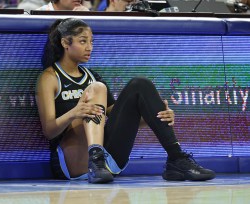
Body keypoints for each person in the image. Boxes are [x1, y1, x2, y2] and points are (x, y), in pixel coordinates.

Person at [36, 18, 216, 184]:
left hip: (109, 162)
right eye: (83, 41)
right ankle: (95, 159)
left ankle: (176, 158)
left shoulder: (92, 76)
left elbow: (123, 121)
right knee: (97, 88)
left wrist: (158, 117)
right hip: (71, 161)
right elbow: (49, 131)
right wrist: (74, 113)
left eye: (91, 42)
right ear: (65, 43)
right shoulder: (50, 77)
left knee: (140, 84)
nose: (89, 47)